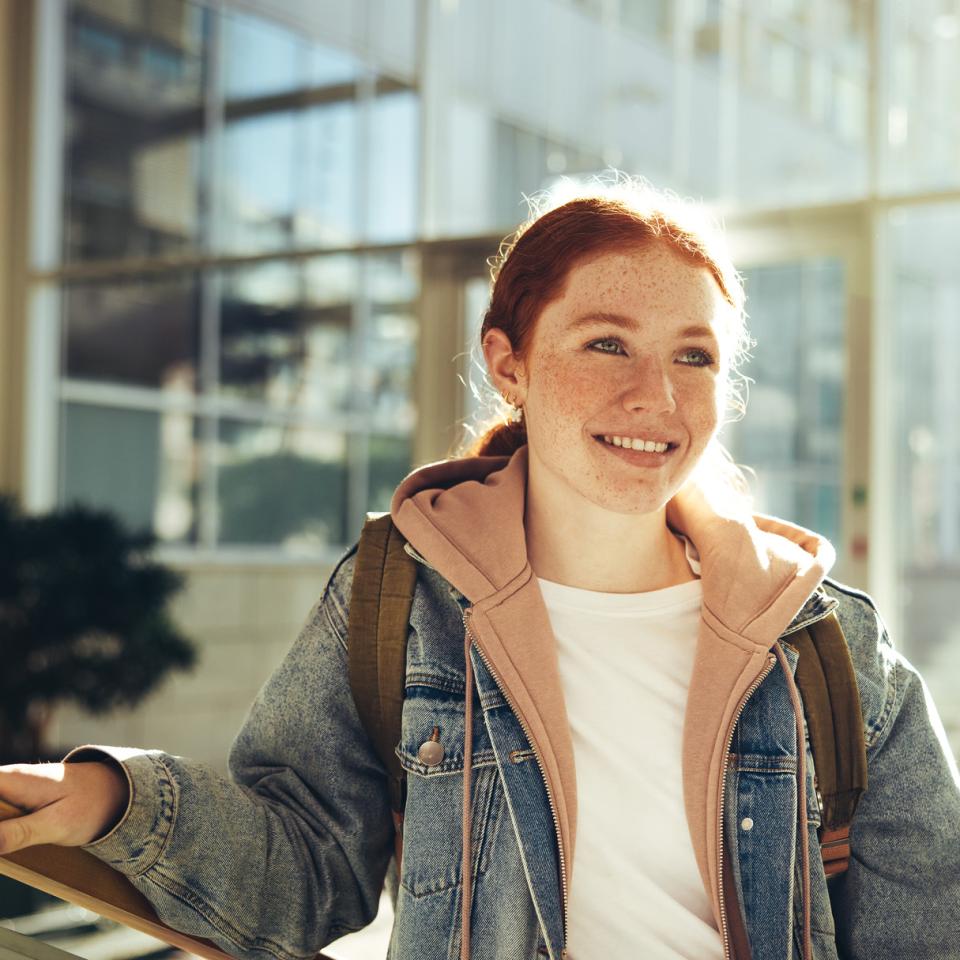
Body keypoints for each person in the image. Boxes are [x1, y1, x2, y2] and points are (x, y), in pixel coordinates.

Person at [1, 177, 959, 960]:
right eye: (607, 343)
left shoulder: (828, 643)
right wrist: (118, 799)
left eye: (695, 356)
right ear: (509, 362)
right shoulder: (404, 601)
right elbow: (306, 870)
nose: (655, 396)